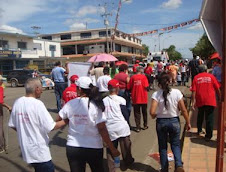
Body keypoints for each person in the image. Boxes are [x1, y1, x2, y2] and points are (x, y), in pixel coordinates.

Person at [56, 76, 120, 172]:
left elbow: (58, 119)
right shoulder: (96, 105)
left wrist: (69, 119)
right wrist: (112, 148)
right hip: (93, 147)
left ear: (80, 89)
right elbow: (102, 129)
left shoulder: (70, 104)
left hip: (73, 147)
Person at [8, 78, 67, 172]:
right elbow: (51, 126)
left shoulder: (17, 102)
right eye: (41, 88)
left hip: (27, 149)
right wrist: (67, 121)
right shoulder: (37, 104)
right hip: (39, 151)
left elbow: (12, 124)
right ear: (37, 89)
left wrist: (25, 131)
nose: (42, 91)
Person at [150, 72, 191, 172]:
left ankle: (164, 169)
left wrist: (157, 115)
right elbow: (184, 109)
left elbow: (152, 112)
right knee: (175, 144)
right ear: (169, 81)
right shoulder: (177, 93)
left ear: (159, 83)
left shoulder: (156, 94)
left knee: (163, 147)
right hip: (174, 121)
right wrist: (188, 122)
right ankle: (179, 165)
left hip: (161, 122)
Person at [103, 79, 134, 171]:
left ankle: (111, 168)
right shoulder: (121, 100)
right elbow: (125, 114)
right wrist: (128, 123)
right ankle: (128, 161)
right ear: (117, 88)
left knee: (111, 149)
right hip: (121, 126)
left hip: (109, 127)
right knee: (126, 146)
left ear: (108, 88)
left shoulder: (103, 101)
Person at [191, 65, 221, 141]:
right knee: (209, 118)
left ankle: (199, 130)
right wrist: (220, 98)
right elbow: (217, 88)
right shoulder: (211, 77)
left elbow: (194, 91)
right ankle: (208, 135)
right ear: (206, 70)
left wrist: (193, 101)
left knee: (200, 115)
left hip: (200, 100)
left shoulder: (196, 78)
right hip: (210, 100)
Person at [128, 67, 149, 132]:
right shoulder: (144, 77)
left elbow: (129, 87)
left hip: (135, 97)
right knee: (144, 112)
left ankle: (138, 127)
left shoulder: (132, 77)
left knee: (137, 113)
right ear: (141, 71)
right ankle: (145, 125)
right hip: (143, 97)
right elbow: (146, 86)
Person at [0, 75, 11, 153]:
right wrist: (8, 107)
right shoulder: (0, 88)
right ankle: (5, 147)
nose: (2, 82)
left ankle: (2, 147)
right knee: (3, 127)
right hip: (1, 108)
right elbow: (1, 101)